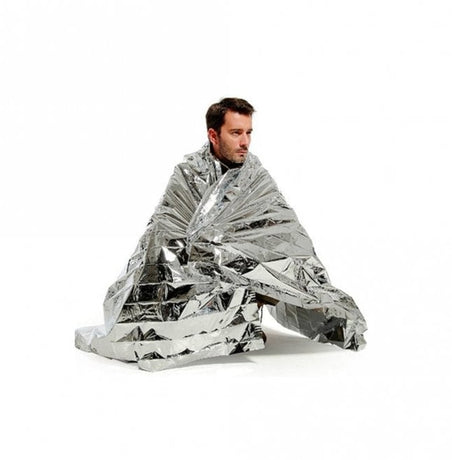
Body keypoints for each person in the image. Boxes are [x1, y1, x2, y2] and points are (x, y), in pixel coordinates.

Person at [75, 97, 367, 372]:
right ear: (213, 135)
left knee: (299, 279)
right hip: (195, 267)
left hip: (238, 266)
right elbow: (166, 233)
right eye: (236, 133)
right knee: (163, 306)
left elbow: (282, 231)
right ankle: (225, 325)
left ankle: (256, 315)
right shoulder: (189, 173)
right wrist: (210, 256)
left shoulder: (254, 174)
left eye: (249, 133)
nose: (245, 142)